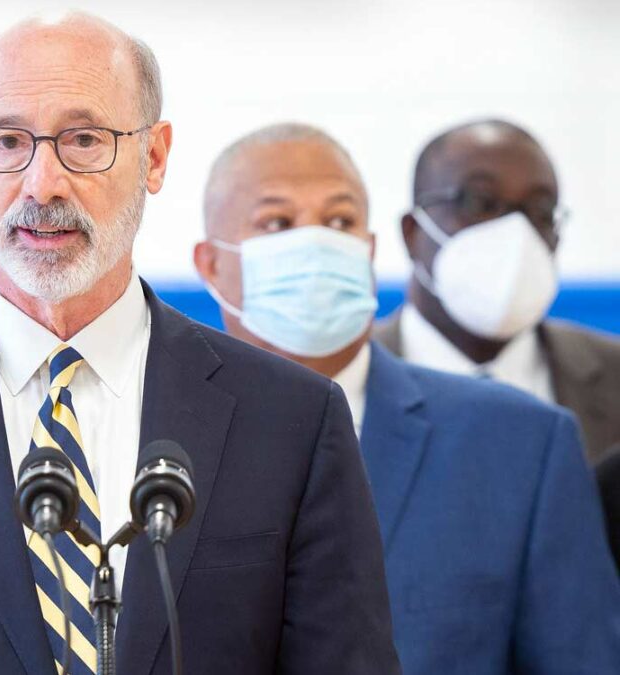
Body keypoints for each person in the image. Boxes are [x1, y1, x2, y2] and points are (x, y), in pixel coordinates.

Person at [0, 13, 400, 675]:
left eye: (83, 139)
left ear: (154, 156)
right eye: (7, 142)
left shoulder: (292, 419)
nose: (42, 183)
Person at [194, 123, 620, 674]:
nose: (317, 243)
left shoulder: (523, 444)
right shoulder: (155, 433)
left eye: (340, 221)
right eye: (277, 223)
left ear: (369, 251)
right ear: (211, 264)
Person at [372, 119, 620, 463]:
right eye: (479, 202)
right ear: (413, 232)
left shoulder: (614, 375)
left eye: (541, 211)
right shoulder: (340, 380)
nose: (516, 232)